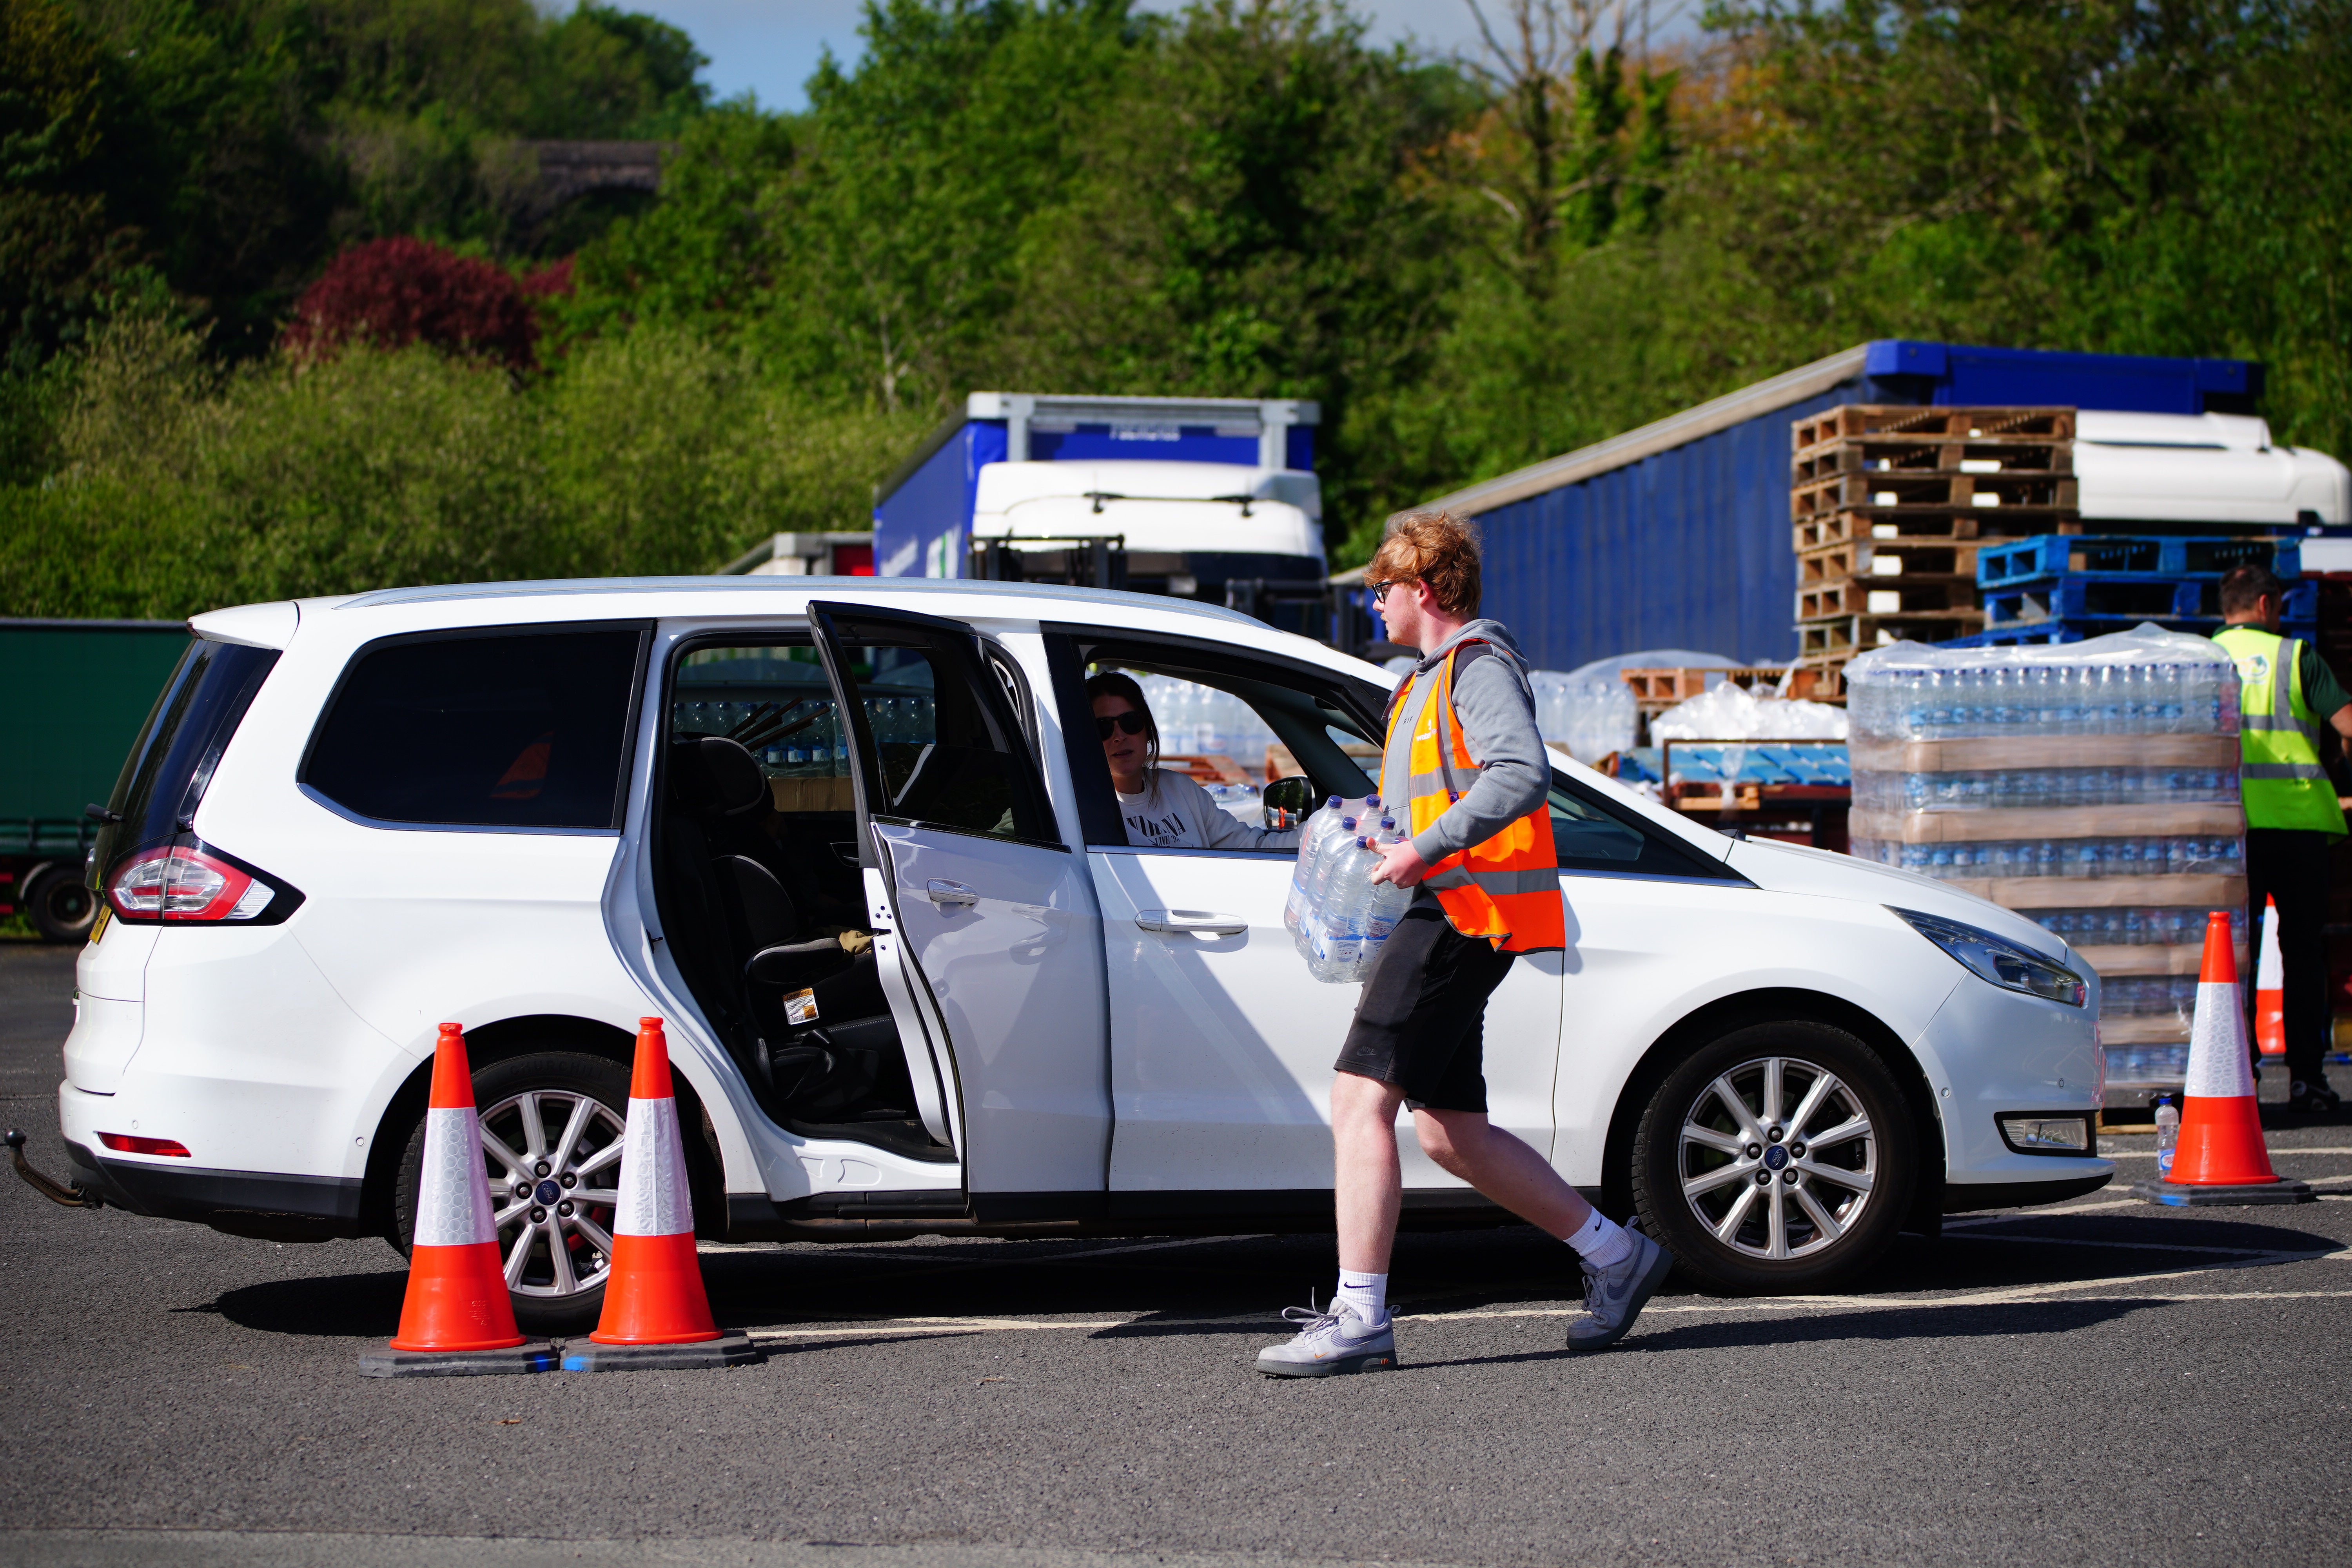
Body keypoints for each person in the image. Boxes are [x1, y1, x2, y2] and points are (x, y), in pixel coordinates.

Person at [1254, 511, 1673, 1377]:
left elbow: (1522, 773)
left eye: (1382, 587)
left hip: (1459, 913)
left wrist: (1420, 850)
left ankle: (1360, 1314)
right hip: (1454, 909)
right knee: (1449, 1130)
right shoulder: (1424, 679)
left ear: (1426, 589)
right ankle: (1618, 1255)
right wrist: (1390, 838)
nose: (1373, 602)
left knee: (1356, 1098)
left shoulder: (1477, 666)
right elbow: (1441, 790)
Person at [2213, 564, 2352, 1114]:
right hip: (2297, 829)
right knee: (2302, 956)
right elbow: (2348, 724)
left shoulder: (2206, 660)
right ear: (2268, 604)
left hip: (2231, 834)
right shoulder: (2296, 658)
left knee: (2234, 961)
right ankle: (2307, 1080)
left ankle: (2238, 1077)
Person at [1087, 671, 1299, 852]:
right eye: (1103, 727)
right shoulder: (1081, 810)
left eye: (1129, 722)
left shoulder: (1183, 791)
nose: (1119, 736)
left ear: (1148, 729)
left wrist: (1316, 833)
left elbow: (1255, 848)